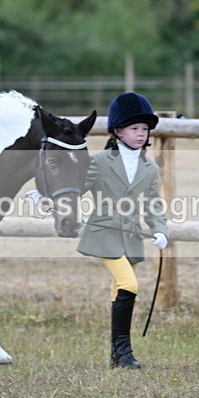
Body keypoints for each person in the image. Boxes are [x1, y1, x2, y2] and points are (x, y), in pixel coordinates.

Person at [77, 92, 169, 369]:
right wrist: (47, 195)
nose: (141, 134)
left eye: (144, 129)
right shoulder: (100, 161)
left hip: (131, 239)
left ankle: (116, 356)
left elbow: (154, 204)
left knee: (118, 290)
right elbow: (78, 188)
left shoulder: (150, 168)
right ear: (118, 131)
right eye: (134, 128)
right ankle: (125, 353)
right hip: (104, 234)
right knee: (129, 285)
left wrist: (160, 229)